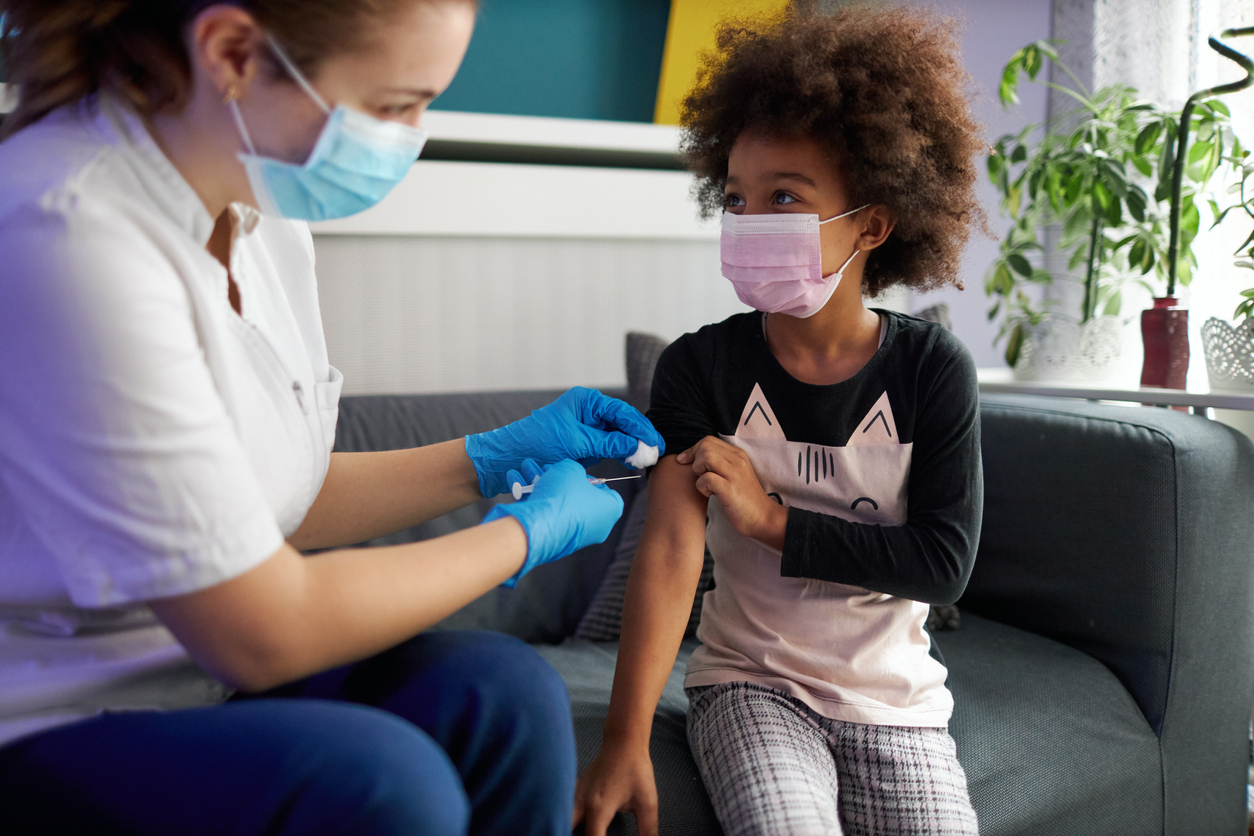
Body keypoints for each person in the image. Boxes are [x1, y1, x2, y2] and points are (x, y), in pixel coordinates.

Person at [0, 1, 663, 833]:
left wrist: (489, 457)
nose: (414, 136)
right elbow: (262, 631)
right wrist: (522, 535)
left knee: (502, 692)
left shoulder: (260, 207)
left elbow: (260, 498)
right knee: (384, 783)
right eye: (393, 106)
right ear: (234, 51)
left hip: (192, 681)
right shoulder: (64, 233)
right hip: (48, 714)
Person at [573, 5, 987, 835]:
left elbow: (941, 565)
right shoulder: (700, 368)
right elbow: (669, 547)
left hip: (896, 706)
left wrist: (768, 520)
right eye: (736, 197)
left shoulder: (932, 371)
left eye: (784, 198)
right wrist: (624, 738)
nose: (749, 220)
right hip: (748, 685)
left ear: (872, 222)